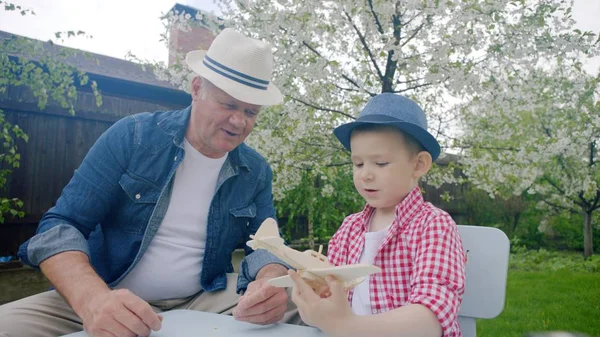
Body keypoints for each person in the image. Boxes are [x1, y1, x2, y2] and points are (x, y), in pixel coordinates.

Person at [0, 28, 297, 337]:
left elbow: (268, 245)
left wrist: (270, 282)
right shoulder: (132, 136)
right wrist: (93, 300)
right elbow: (60, 226)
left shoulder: (256, 170)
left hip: (204, 300)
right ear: (197, 88)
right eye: (229, 105)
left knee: (299, 306)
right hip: (107, 293)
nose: (240, 121)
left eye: (250, 111)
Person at [288, 93, 467, 337]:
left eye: (380, 163)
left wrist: (347, 327)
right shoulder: (349, 229)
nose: (365, 175)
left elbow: (431, 316)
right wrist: (316, 303)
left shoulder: (433, 225)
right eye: (358, 164)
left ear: (418, 165)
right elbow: (332, 299)